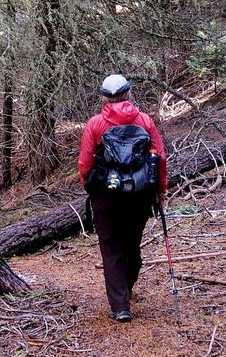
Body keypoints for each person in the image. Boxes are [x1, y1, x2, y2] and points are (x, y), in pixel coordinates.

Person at [78, 74, 167, 323]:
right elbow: (159, 157)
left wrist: (93, 190)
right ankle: (125, 289)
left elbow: (85, 164)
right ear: (128, 94)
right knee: (131, 245)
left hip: (106, 197)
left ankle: (120, 305)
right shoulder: (145, 121)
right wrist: (161, 189)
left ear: (105, 98)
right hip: (140, 195)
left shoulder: (95, 124)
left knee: (112, 248)